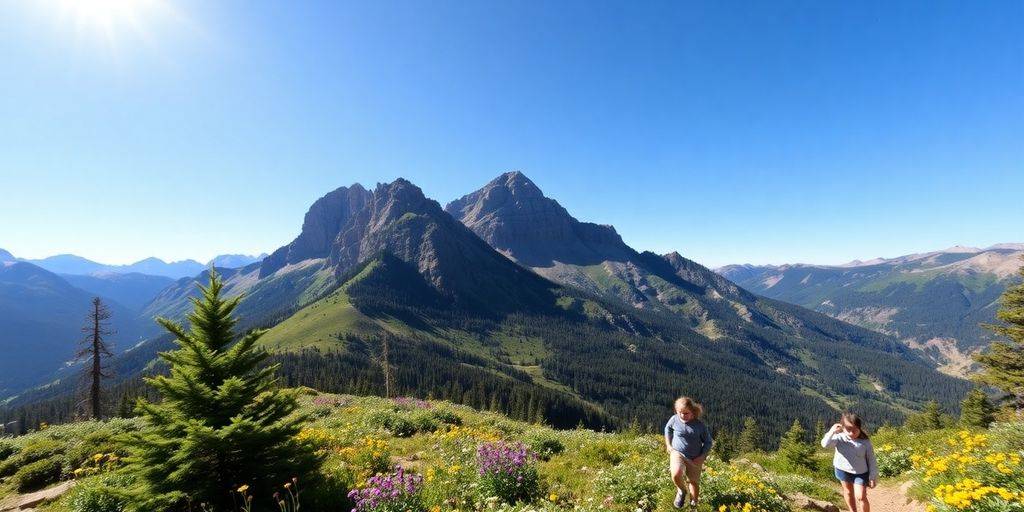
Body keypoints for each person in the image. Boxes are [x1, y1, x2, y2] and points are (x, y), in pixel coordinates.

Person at [821, 412, 879, 512]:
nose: (852, 433)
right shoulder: (839, 438)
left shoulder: (865, 442)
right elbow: (825, 444)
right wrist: (832, 431)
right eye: (848, 429)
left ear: (859, 428)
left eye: (855, 430)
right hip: (842, 469)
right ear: (842, 427)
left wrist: (872, 477)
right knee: (848, 492)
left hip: (860, 473)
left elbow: (871, 459)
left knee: (861, 496)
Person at [664, 396, 713, 509]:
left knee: (693, 482)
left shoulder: (699, 426)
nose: (682, 415)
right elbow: (667, 428)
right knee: (676, 474)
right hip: (678, 452)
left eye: (686, 413)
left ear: (692, 412)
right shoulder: (674, 419)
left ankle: (693, 505)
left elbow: (708, 442)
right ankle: (681, 491)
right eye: (680, 412)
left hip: (695, 458)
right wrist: (668, 445)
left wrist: (702, 456)